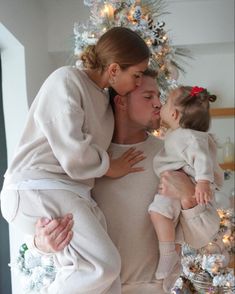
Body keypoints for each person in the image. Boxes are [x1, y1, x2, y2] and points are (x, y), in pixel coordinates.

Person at [33, 72, 220, 294]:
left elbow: (201, 237)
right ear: (120, 101)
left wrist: (189, 196)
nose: (158, 104)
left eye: (159, 96)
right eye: (148, 96)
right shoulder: (85, 158)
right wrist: (41, 245)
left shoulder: (172, 155)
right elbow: (45, 212)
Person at [0, 27, 150, 294]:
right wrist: (110, 166)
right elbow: (72, 152)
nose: (138, 83)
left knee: (108, 282)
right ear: (114, 69)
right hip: (37, 185)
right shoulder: (67, 80)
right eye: (136, 75)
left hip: (69, 191)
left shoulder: (104, 101)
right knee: (103, 265)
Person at [148, 85, 223, 292]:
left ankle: (167, 254)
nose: (158, 104)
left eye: (163, 102)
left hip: (181, 180)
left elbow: (202, 158)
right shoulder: (179, 135)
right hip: (180, 181)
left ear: (173, 113)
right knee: (176, 230)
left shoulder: (186, 136)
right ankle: (174, 262)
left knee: (157, 213)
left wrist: (201, 183)